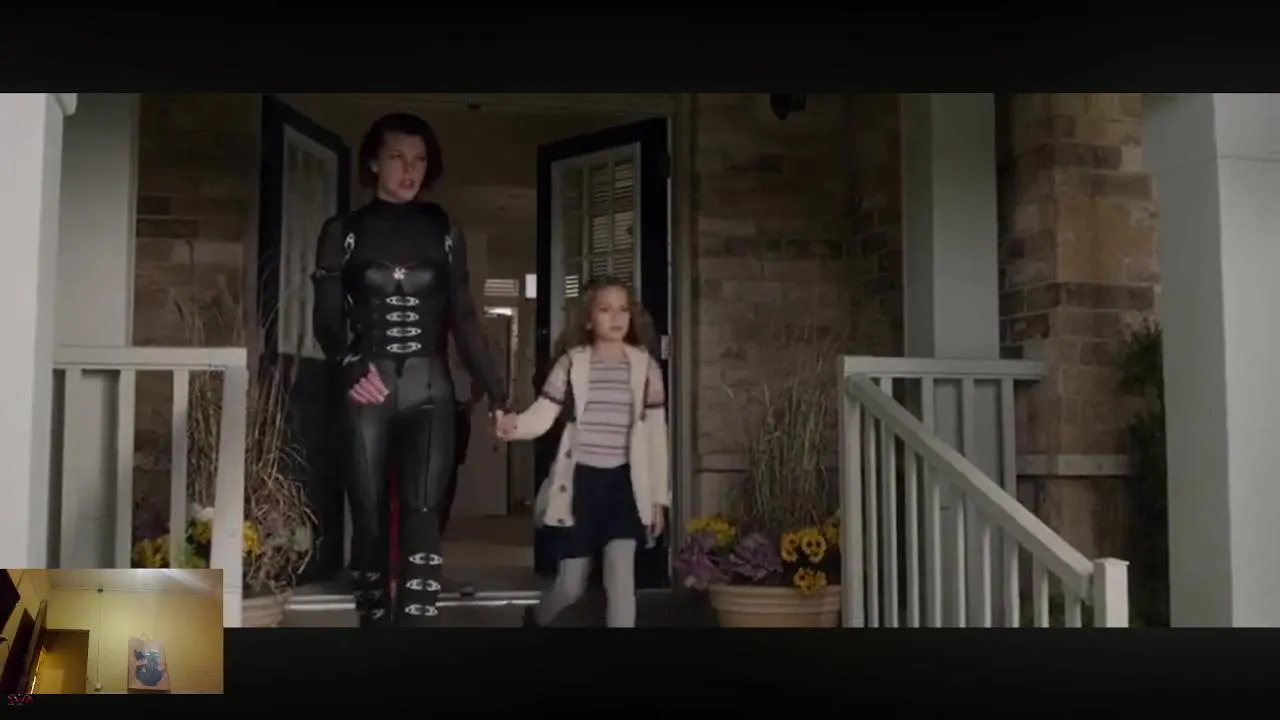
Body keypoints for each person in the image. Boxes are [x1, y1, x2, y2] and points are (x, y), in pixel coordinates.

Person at [311, 112, 508, 628]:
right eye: (397, 157)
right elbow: (326, 321)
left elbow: (464, 317)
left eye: (419, 160)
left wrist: (498, 391)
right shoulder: (343, 231)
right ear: (374, 162)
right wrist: (350, 366)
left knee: (424, 518)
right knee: (370, 518)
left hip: (430, 390)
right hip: (368, 389)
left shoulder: (444, 230)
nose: (409, 170)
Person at [496, 276, 670, 628]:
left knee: (621, 584)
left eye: (623, 309)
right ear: (589, 319)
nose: (616, 317)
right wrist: (513, 426)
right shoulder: (572, 363)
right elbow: (544, 413)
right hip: (581, 485)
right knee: (570, 586)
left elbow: (655, 437)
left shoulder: (647, 368)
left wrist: (657, 499)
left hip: (625, 487)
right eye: (605, 309)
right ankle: (535, 620)